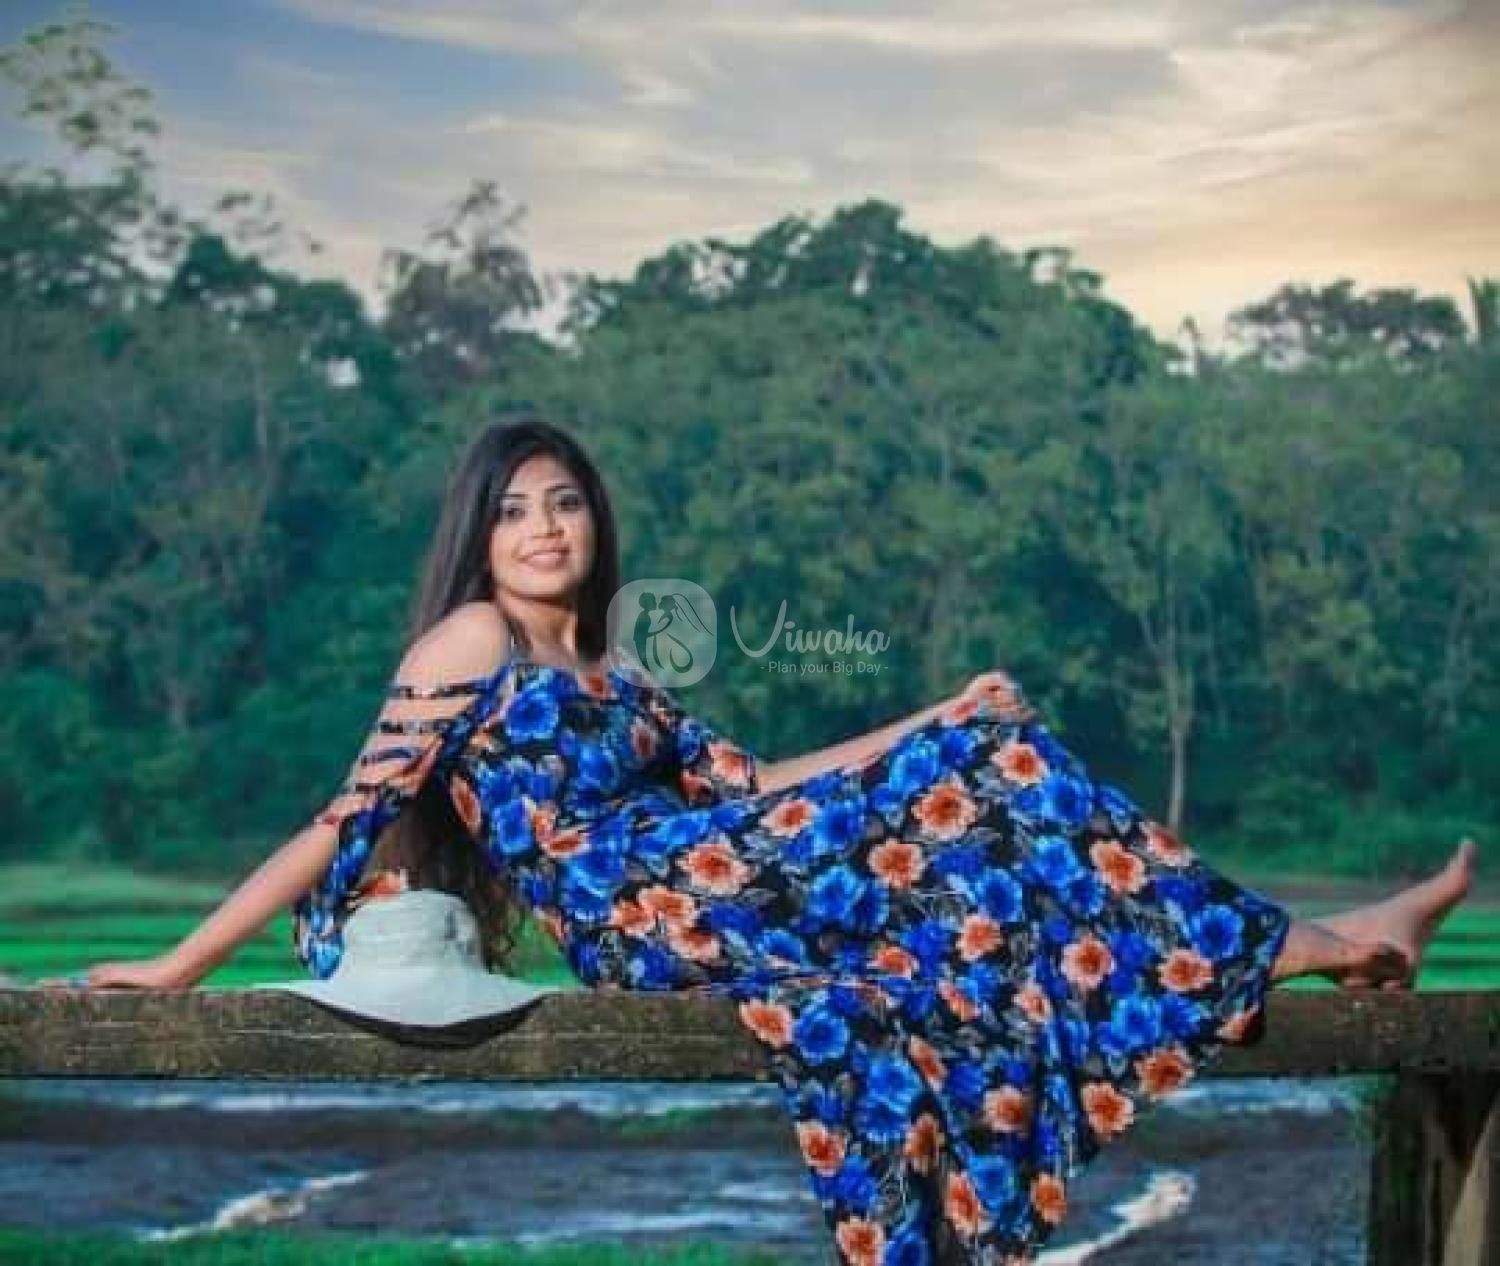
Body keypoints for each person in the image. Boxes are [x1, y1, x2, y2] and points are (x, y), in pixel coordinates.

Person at [81, 418, 1476, 1264]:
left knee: (943, 888)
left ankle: (1263, 961)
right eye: (513, 509)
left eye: (563, 500)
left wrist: (934, 711)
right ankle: (1305, 942)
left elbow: (754, 785)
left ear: (595, 516)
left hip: (715, 881)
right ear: (479, 536)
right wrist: (181, 964)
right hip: (642, 915)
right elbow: (343, 815)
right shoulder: (469, 642)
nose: (545, 527)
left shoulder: (622, 670)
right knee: (983, 782)